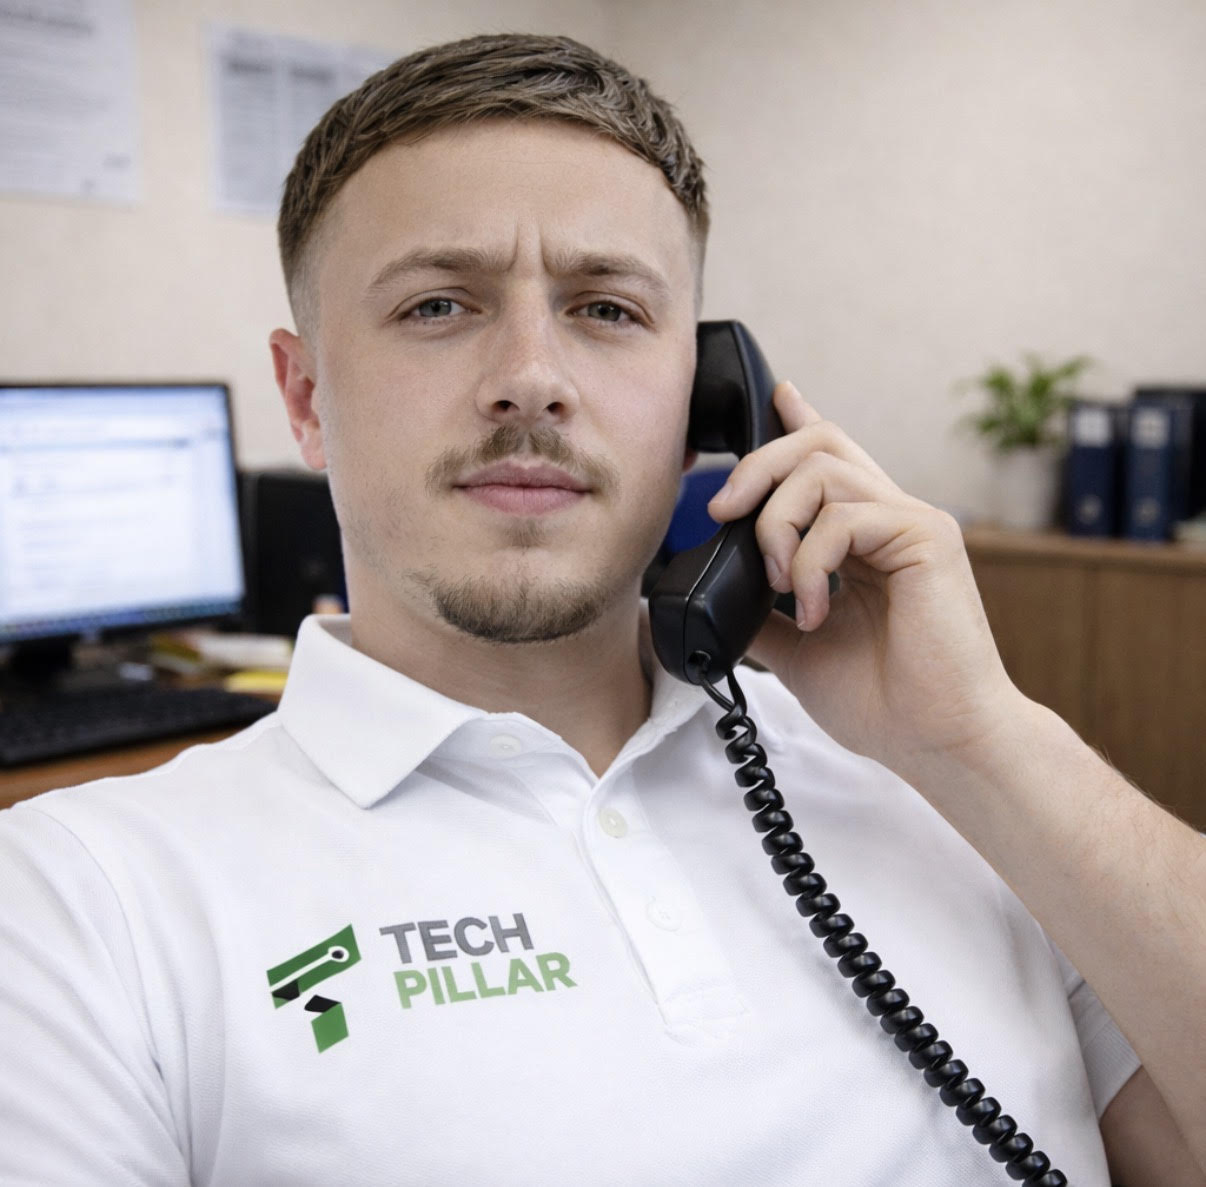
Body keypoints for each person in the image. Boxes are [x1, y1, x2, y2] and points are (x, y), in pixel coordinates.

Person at [1, 32, 1203, 1187]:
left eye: (608, 309)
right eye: (439, 305)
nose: (532, 377)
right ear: (308, 396)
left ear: (707, 396)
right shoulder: (82, 901)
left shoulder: (955, 789)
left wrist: (985, 742)